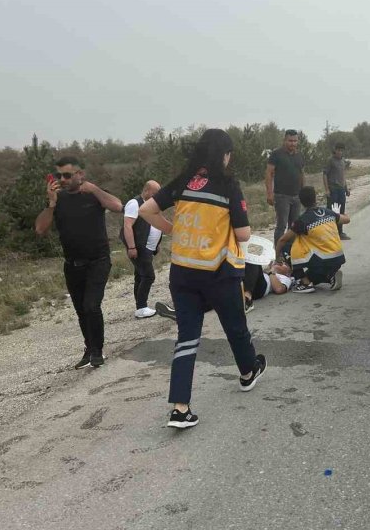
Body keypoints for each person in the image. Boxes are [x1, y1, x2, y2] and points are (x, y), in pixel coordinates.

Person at [139, 128, 267, 430]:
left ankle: (180, 408)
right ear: (224, 155)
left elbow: (146, 209)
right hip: (218, 272)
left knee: (187, 338)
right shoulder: (228, 185)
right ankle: (248, 372)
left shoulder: (183, 180)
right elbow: (243, 234)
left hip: (182, 272)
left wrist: (173, 229)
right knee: (235, 326)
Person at [35, 156, 123, 369]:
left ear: (80, 174)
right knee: (81, 310)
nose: (62, 179)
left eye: (67, 175)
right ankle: (90, 348)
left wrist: (94, 190)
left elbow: (118, 206)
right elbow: (40, 229)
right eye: (59, 175)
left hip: (98, 261)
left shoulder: (92, 194)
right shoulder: (58, 199)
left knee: (91, 306)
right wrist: (51, 204)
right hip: (72, 264)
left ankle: (98, 352)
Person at [275, 186, 350, 294]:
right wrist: (338, 213)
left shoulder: (303, 220)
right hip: (338, 257)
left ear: (301, 202)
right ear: (315, 198)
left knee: (287, 246)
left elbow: (282, 240)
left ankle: (304, 283)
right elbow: (347, 220)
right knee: (312, 277)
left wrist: (277, 257)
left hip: (322, 260)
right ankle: (330, 276)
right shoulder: (328, 212)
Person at [153, 261, 293, 319]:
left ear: (288, 271)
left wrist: (271, 272)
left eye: (283, 264)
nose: (279, 263)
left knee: (253, 263)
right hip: (248, 282)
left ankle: (247, 299)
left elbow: (279, 289)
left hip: (260, 287)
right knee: (218, 292)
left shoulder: (285, 278)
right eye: (278, 262)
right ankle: (183, 314)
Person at [122, 180, 162, 319]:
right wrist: (132, 247)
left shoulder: (149, 205)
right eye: (155, 193)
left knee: (140, 276)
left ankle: (140, 306)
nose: (157, 196)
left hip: (148, 248)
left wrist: (156, 244)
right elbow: (127, 226)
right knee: (149, 276)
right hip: (139, 247)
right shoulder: (134, 204)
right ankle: (141, 307)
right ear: (146, 191)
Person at [265, 129, 304, 246]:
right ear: (285, 140)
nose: (293, 143)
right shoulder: (276, 154)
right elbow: (269, 174)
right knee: (281, 226)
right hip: (281, 196)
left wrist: (303, 192)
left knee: (294, 226)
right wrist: (269, 194)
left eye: (295, 141)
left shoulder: (300, 155)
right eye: (290, 141)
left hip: (297, 196)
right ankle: (278, 253)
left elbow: (302, 174)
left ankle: (290, 251)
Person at [323, 142, 351, 240]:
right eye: (338, 150)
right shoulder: (330, 161)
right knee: (332, 211)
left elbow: (343, 176)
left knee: (341, 211)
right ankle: (330, 233)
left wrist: (346, 189)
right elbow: (325, 174)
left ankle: (340, 232)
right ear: (334, 150)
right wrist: (327, 189)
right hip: (333, 189)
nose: (339, 152)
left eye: (341, 150)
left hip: (341, 190)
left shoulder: (343, 161)